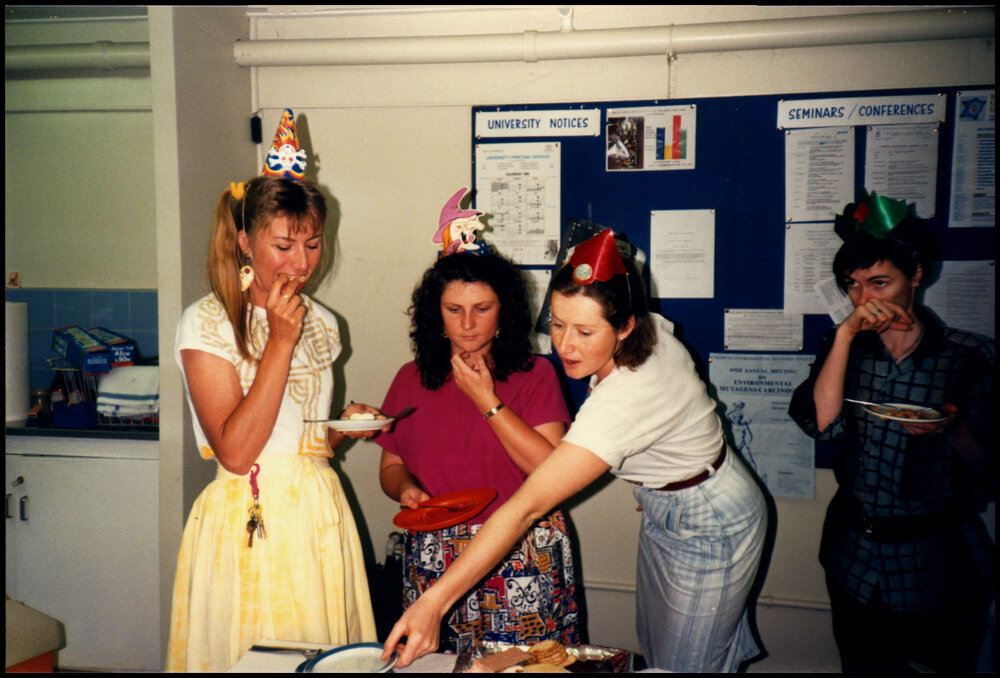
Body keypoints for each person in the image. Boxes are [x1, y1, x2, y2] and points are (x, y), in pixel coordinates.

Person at [383, 228, 767, 672]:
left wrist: (435, 603)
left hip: (708, 516)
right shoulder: (651, 328)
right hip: (674, 493)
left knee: (685, 665)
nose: (565, 345)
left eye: (585, 331)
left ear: (626, 326)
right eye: (558, 324)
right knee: (664, 650)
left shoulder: (625, 397)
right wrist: (662, 471)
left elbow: (527, 506)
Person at [166, 110, 376, 671]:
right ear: (244, 241)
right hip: (249, 518)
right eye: (283, 245)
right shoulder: (206, 322)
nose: (300, 263)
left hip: (319, 508)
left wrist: (341, 428)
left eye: (312, 245)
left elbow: (299, 438)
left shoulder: (325, 323)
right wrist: (279, 343)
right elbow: (236, 451)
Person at [788, 192, 995, 674]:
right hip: (853, 555)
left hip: (939, 560)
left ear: (917, 274)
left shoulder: (970, 357)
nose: (864, 301)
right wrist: (842, 337)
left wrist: (957, 430)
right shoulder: (846, 348)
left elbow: (990, 476)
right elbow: (823, 427)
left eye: (880, 282)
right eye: (853, 286)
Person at [375, 199, 578, 654]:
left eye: (482, 308)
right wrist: (406, 489)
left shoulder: (534, 373)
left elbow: (552, 473)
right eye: (453, 310)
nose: (467, 324)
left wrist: (487, 400)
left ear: (504, 311)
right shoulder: (411, 377)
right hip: (432, 552)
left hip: (519, 551)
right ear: (435, 315)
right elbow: (392, 467)